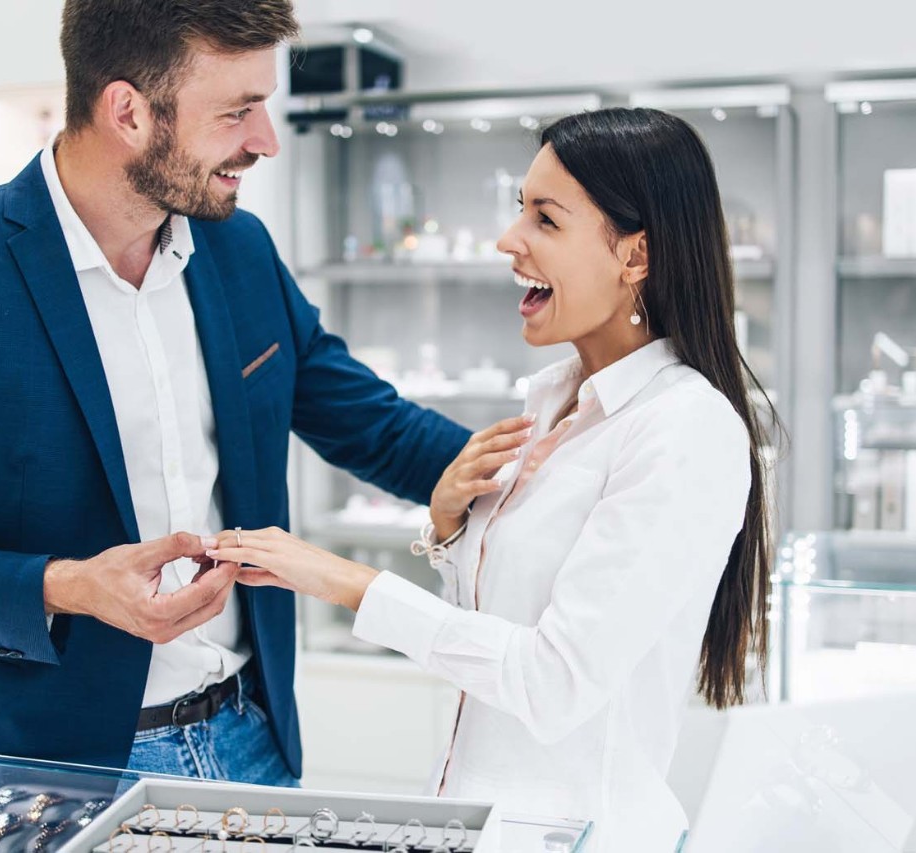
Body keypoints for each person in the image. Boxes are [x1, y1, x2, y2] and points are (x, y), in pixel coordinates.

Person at [0, 0, 469, 791]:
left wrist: (559, 460)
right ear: (127, 111)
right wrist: (61, 586)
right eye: (238, 111)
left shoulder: (239, 249)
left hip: (249, 743)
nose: (265, 141)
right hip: (35, 777)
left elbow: (376, 427)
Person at [205, 107, 781, 849]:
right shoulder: (551, 401)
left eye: (545, 218)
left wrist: (344, 581)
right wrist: (448, 529)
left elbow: (552, 681)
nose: (510, 240)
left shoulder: (684, 429)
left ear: (634, 257)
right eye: (520, 210)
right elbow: (495, 640)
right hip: (474, 824)